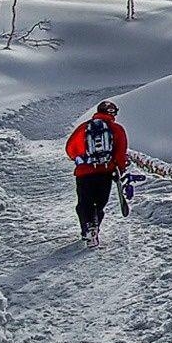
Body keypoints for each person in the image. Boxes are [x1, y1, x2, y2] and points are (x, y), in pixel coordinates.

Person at [64, 100, 128, 247]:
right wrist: (119, 168)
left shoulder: (83, 128)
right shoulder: (116, 129)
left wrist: (81, 159)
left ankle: (87, 228)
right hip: (105, 172)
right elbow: (120, 152)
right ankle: (95, 227)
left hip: (84, 173)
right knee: (99, 204)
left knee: (84, 203)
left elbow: (70, 149)